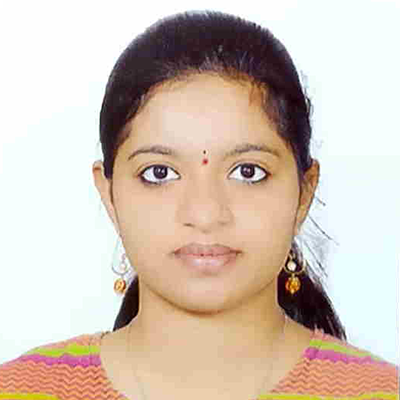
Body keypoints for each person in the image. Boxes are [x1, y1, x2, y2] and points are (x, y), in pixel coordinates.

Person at [0, 9, 398, 400]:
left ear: (303, 194)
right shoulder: (20, 390)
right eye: (159, 173)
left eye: (247, 172)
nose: (205, 214)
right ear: (109, 195)